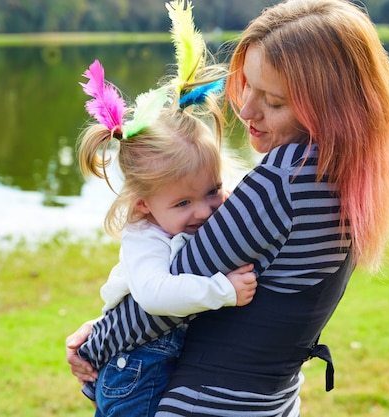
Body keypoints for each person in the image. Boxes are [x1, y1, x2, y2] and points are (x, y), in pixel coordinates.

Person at [68, 0, 389, 415]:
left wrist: (95, 344)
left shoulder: (283, 183)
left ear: (331, 106)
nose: (246, 111)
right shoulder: (347, 175)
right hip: (271, 402)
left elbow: (164, 296)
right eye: (248, 85)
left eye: (274, 101)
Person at [75, 58, 257, 417]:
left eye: (213, 190)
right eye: (183, 202)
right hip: (136, 371)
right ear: (144, 205)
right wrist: (225, 291)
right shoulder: (144, 238)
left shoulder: (184, 218)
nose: (204, 211)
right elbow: (155, 296)